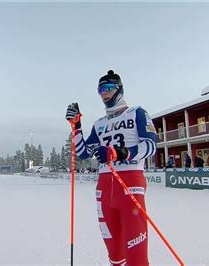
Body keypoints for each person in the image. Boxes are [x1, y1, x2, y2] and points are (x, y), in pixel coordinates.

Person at [65, 70, 157, 265]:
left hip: (130, 183)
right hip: (105, 188)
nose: (104, 93)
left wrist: (120, 153)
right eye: (100, 90)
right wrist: (77, 126)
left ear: (119, 89)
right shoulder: (99, 124)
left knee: (136, 254)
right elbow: (83, 152)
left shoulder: (137, 112)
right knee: (114, 253)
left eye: (108, 88)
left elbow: (150, 146)